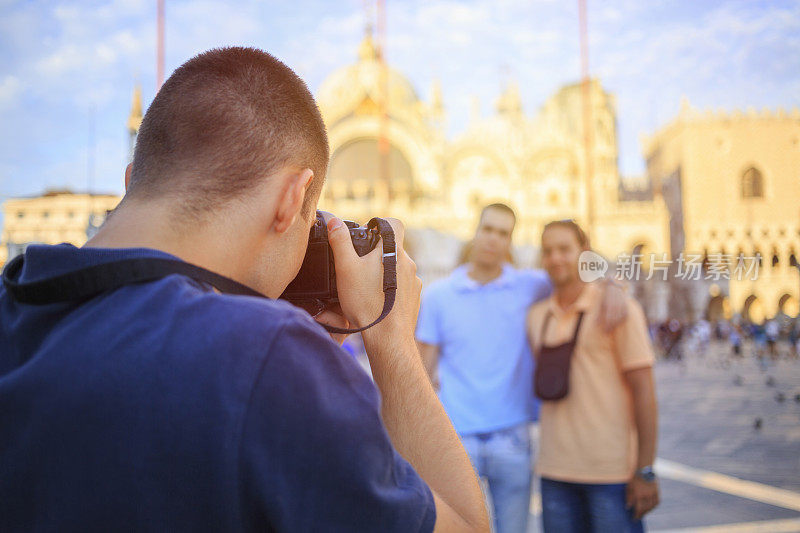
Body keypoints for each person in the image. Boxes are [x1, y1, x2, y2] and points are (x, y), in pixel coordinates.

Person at [0, 47, 489, 532]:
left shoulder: (15, 304)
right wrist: (392, 338)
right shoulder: (267, 359)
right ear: (291, 199)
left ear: (132, 181)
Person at [415, 205, 628, 533]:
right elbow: (422, 372)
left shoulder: (530, 286)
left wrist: (614, 282)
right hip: (457, 441)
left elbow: (574, 272)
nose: (493, 239)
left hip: (513, 440)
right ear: (475, 231)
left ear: (511, 241)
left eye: (503, 233)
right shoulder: (439, 296)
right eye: (488, 229)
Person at [527, 220, 659, 533]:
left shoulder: (618, 309)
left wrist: (646, 469)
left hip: (611, 475)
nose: (556, 258)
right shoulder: (536, 317)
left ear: (584, 252)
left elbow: (645, 391)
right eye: (548, 251)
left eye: (564, 249)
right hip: (554, 473)